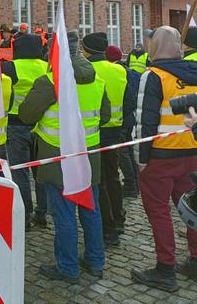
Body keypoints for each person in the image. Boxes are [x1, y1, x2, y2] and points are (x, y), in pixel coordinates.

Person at [19, 29, 109, 283]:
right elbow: (104, 116)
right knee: (91, 209)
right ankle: (95, 260)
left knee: (64, 213)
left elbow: (27, 115)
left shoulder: (51, 82)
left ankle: (68, 267)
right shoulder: (97, 79)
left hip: (57, 157)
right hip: (89, 156)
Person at [131, 26, 197, 292]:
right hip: (191, 153)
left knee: (159, 212)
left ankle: (165, 269)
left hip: (160, 157)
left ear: (155, 47)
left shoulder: (153, 75)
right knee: (192, 209)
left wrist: (140, 159)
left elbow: (144, 120)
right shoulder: (194, 72)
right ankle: (194, 261)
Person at [82, 33, 129, 247]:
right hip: (116, 131)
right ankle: (118, 218)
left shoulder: (87, 70)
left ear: (86, 50)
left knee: (98, 181)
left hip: (94, 131)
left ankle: (107, 227)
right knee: (112, 177)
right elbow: (128, 102)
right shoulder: (120, 69)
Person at [1, 34, 49, 229]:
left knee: (20, 172)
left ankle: (25, 215)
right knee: (41, 171)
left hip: (16, 124)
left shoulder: (11, 67)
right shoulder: (47, 66)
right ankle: (42, 212)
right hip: (41, 125)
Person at [106, 45, 141, 198]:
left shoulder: (116, 73)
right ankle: (135, 183)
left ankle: (131, 185)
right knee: (128, 152)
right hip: (129, 118)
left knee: (123, 154)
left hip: (121, 120)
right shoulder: (131, 72)